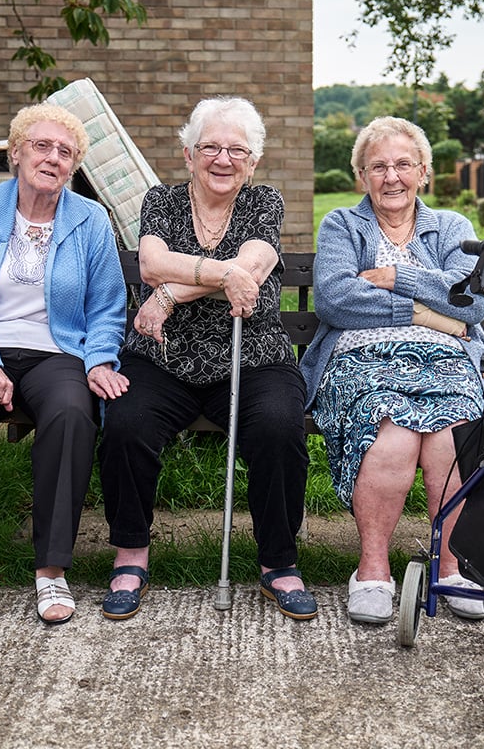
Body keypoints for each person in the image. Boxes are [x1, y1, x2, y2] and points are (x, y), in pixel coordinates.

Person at [97, 97, 316, 621]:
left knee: (279, 426)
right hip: (165, 357)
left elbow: (254, 265)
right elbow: (152, 262)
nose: (223, 159)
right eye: (210, 147)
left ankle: (279, 564)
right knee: (127, 424)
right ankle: (130, 556)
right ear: (189, 154)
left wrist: (172, 293)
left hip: (253, 355)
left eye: (236, 149)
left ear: (253, 160)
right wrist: (221, 276)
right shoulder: (162, 202)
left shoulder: (264, 201)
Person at [0, 102, 129, 625]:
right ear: (16, 153)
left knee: (70, 415)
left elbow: (107, 306)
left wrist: (100, 359)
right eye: (42, 146)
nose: (53, 158)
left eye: (65, 152)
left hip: (57, 351)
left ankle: (52, 570)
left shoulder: (90, 219)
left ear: (73, 166)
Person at [299, 116, 484, 625]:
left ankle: (452, 567)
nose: (392, 177)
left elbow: (470, 303)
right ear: (362, 175)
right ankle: (373, 569)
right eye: (378, 166)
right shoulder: (342, 224)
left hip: (446, 358)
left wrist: (392, 276)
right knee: (393, 436)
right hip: (361, 359)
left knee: (451, 437)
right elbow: (336, 300)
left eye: (403, 165)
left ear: (423, 172)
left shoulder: (451, 227)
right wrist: (426, 313)